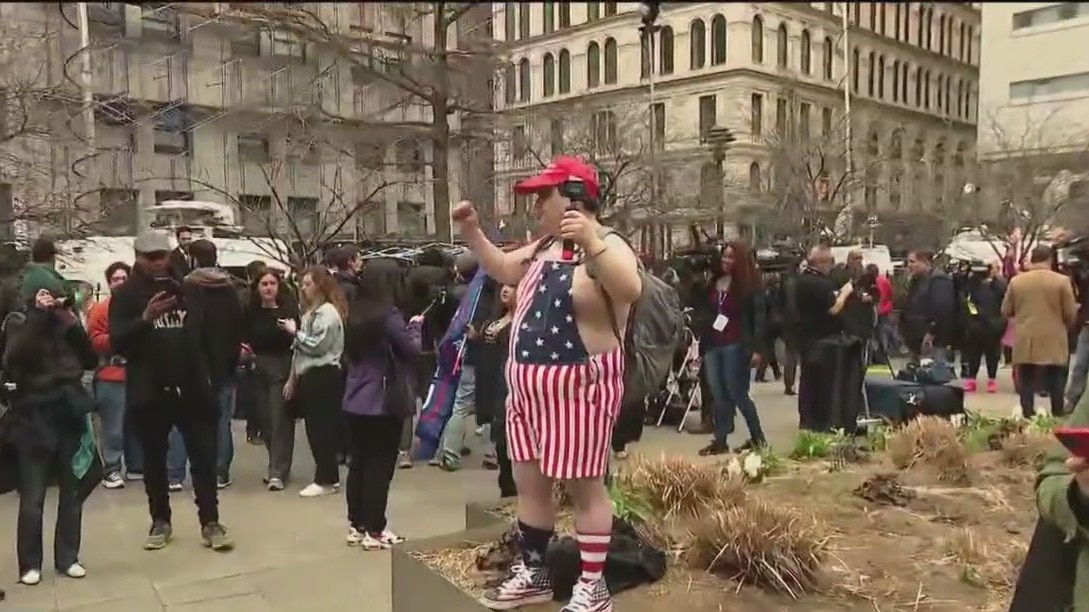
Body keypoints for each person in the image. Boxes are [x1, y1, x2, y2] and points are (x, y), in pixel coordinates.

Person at [457, 155, 643, 612]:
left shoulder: (610, 244)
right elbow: (502, 266)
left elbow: (630, 289)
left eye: (546, 195)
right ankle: (536, 572)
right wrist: (472, 232)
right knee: (530, 483)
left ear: (576, 197)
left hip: (580, 387)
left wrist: (591, 243)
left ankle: (593, 587)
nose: (537, 204)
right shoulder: (542, 246)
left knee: (585, 486)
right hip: (527, 389)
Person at [109, 230, 233, 552]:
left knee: (203, 458)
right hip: (151, 388)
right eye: (149, 258)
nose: (156, 263)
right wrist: (146, 319)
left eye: (160, 256)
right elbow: (118, 342)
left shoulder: (188, 288)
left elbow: (210, 336)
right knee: (154, 460)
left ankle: (211, 521)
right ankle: (160, 520)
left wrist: (213, 377)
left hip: (191, 386)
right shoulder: (126, 295)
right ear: (138, 258)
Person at [4, 269, 98, 585]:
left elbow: (89, 359)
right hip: (34, 418)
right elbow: (17, 356)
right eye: (45, 294)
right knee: (33, 496)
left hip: (68, 415)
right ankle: (30, 564)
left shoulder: (66, 321)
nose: (51, 299)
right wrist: (40, 317)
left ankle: (68, 557)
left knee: (72, 493)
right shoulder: (19, 322)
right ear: (33, 296)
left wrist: (68, 322)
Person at [342, 259, 423, 549]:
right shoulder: (389, 316)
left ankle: (357, 524)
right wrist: (415, 328)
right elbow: (411, 350)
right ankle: (376, 528)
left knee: (359, 463)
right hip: (383, 398)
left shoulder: (355, 312)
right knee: (380, 465)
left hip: (355, 396)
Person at [182, 240, 244, 489]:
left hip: (200, 364)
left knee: (197, 420)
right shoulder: (229, 287)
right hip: (226, 363)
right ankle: (221, 471)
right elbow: (237, 324)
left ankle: (201, 469)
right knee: (222, 420)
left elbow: (192, 328)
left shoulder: (191, 286)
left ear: (194, 259)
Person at [283, 266, 346, 498]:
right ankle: (325, 476)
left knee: (322, 429)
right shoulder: (311, 312)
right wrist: (293, 378)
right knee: (315, 428)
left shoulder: (328, 313)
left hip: (324, 374)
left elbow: (317, 345)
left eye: (308, 283)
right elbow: (299, 352)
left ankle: (327, 478)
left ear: (320, 286)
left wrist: (294, 332)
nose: (303, 288)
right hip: (309, 374)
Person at [698, 241, 767, 455]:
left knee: (738, 392)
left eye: (731, 257)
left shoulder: (749, 286)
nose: (726, 261)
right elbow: (704, 309)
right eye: (724, 257)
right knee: (718, 393)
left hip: (736, 344)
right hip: (713, 343)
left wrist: (757, 348)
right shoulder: (715, 282)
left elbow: (759, 317)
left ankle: (758, 438)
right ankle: (720, 439)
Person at [1001, 245, 1077, 418]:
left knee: (1026, 376)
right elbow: (1070, 313)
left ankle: (1028, 412)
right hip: (1054, 336)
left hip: (1026, 336)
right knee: (1056, 376)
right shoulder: (1061, 281)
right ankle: (1057, 412)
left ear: (1032, 259)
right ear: (1049, 259)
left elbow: (1006, 310)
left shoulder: (1017, 282)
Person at [242, 269, 299, 491]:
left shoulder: (287, 313)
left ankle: (277, 471)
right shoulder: (251, 313)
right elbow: (244, 338)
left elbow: (297, 345)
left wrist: (292, 379)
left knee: (280, 422)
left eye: (272, 283)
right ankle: (278, 464)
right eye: (264, 284)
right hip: (258, 369)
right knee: (264, 422)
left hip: (282, 368)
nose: (268, 288)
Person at [87, 261, 141, 488]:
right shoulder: (100, 309)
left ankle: (137, 465)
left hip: (137, 374)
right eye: (116, 279)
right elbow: (95, 339)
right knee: (113, 427)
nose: (120, 283)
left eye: (124, 278)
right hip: (111, 375)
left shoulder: (140, 308)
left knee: (137, 424)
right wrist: (120, 339)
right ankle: (111, 468)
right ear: (109, 283)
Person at [794, 246, 852, 431]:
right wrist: (844, 293)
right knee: (821, 381)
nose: (832, 266)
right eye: (830, 261)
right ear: (821, 262)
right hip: (823, 337)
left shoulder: (800, 281)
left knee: (807, 378)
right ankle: (818, 418)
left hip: (805, 335)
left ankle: (806, 417)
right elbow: (834, 308)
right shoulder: (821, 284)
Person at [475, 285, 518, 498]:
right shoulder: (497, 316)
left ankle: (512, 486)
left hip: (511, 385)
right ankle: (507, 484)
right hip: (492, 381)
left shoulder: (524, 321)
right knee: (500, 435)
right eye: (504, 285)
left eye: (513, 286)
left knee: (509, 438)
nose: (506, 290)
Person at [900, 250, 956, 362]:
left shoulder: (939, 281)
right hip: (916, 338)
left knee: (930, 371)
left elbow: (942, 309)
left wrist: (932, 332)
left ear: (925, 262)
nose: (909, 266)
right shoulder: (916, 281)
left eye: (912, 262)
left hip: (932, 340)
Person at [960, 262, 1006, 393]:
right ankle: (972, 379)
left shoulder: (996, 286)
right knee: (975, 354)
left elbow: (1003, 298)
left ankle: (991, 379)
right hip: (979, 325)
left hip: (991, 325)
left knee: (991, 354)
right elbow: (967, 303)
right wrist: (975, 315)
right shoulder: (971, 287)